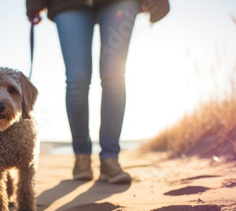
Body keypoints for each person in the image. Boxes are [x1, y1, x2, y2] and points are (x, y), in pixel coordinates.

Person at [26, 0, 169, 183]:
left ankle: (110, 159)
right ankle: (82, 158)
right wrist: (33, 4)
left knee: (115, 76)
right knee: (76, 79)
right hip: (66, 3)